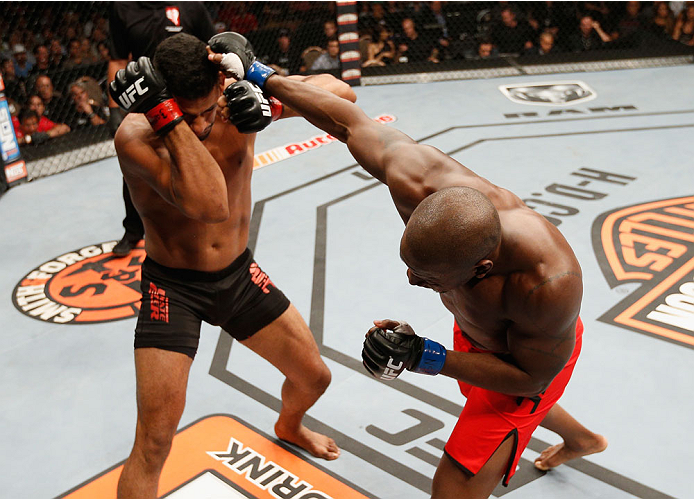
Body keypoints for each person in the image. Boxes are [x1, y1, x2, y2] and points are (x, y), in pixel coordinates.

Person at [214, 52, 608, 499]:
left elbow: (531, 379)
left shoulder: (545, 285)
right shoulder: (418, 180)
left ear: (482, 269)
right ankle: (581, 440)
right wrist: (263, 76)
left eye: (428, 279)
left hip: (527, 362)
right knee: (478, 389)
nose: (411, 281)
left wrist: (426, 356)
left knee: (451, 489)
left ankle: (567, 437)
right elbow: (348, 120)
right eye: (412, 268)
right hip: (482, 334)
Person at [109, 32, 355, 499]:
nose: (202, 124)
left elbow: (343, 96)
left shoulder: (232, 105)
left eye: (208, 109)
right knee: (154, 441)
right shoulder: (136, 136)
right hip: (172, 289)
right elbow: (209, 204)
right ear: (161, 99)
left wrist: (265, 84)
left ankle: (289, 425)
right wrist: (167, 118)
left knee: (314, 377)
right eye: (187, 113)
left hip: (238, 276)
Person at [107, 1, 217, 257]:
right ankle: (134, 230)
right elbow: (118, 59)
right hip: (149, 102)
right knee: (136, 168)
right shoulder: (123, 7)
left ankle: (205, 220)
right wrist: (113, 109)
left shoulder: (191, 5)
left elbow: (215, 48)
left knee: (201, 158)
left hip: (192, 100)